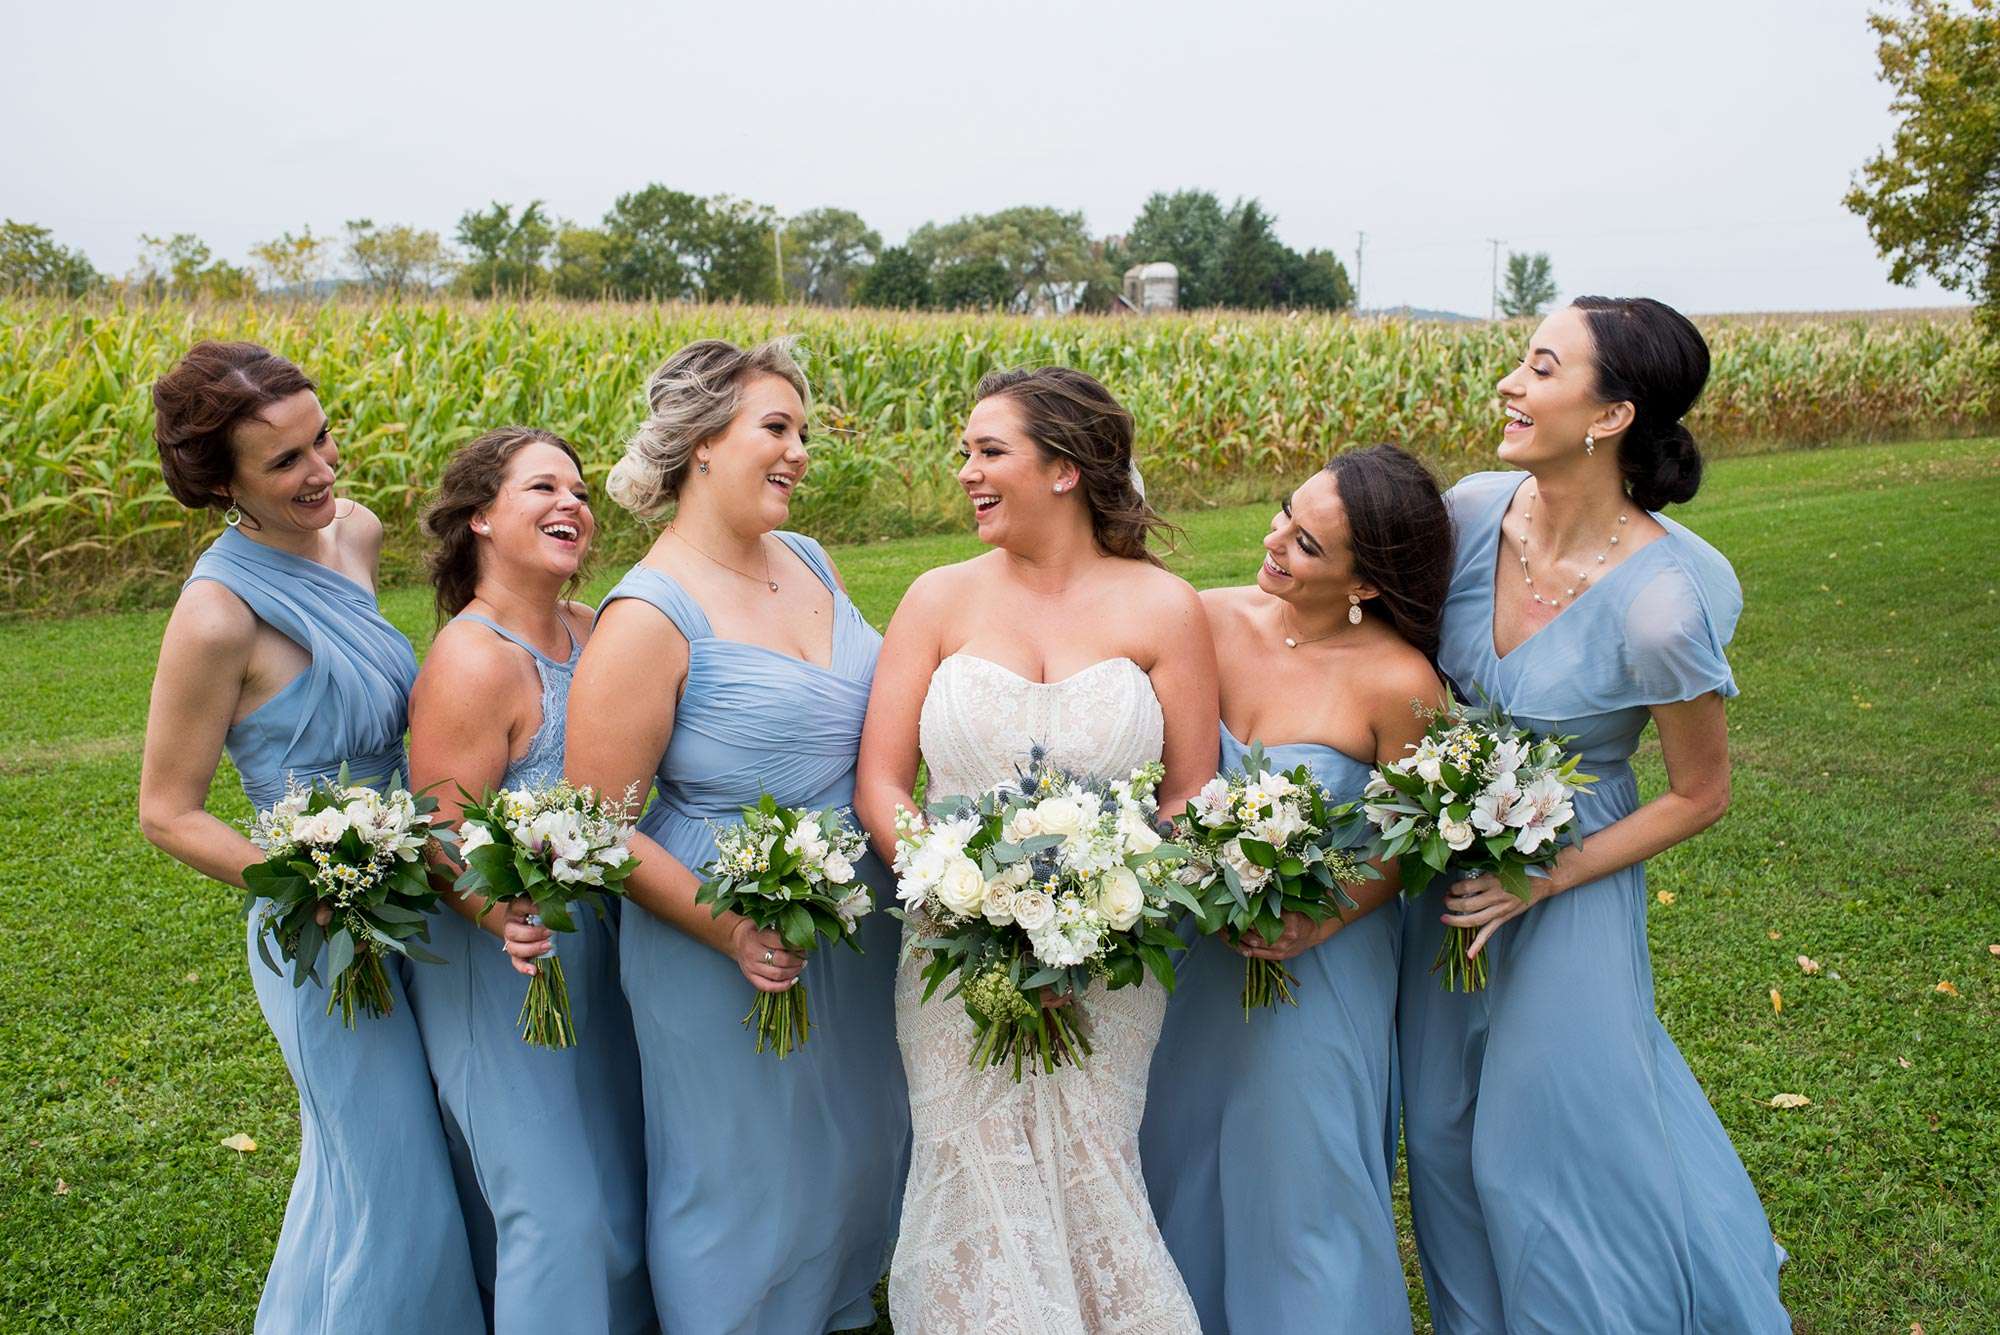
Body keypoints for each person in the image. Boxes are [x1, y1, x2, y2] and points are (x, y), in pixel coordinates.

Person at [1400, 297, 1790, 1332]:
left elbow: (1699, 793)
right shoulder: (1470, 512)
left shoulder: (1662, 603)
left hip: (1569, 871)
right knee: (1439, 1131)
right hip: (1440, 864)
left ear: (1610, 415)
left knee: (1542, 1137)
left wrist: (1545, 876)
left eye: (1538, 369)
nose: (1508, 386)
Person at [855, 366, 1219, 1334]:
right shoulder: (935, 599)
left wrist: (1105, 912)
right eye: (965, 453)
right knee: (966, 1166)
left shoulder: (1165, 607)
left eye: (987, 452)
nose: (965, 472)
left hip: (1113, 952)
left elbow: (1188, 794)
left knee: (1093, 1162)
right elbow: (883, 786)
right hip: (948, 952)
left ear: (1062, 469)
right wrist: (957, 894)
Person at [136, 341, 482, 1335]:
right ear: (223, 484)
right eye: (284, 462)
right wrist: (315, 878)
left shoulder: (358, 536)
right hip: (320, 925)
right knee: (383, 1163)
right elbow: (167, 810)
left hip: (425, 891)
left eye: (321, 438)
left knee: (452, 1139)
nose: (321, 470)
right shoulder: (214, 617)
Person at [564, 338, 908, 1334]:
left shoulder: (808, 558)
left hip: (850, 918)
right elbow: (595, 827)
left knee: (851, 1146)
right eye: (776, 428)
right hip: (717, 933)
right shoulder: (648, 615)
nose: (799, 450)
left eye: (801, 430)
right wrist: (730, 930)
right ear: (702, 443)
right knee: (738, 1173)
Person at [1140, 444, 1450, 1333]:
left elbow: (1415, 844)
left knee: (1300, 1173)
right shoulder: (1202, 618)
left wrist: (1320, 918)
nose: (1276, 539)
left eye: (1308, 544)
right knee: (1176, 1145)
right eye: (1286, 510)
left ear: (1367, 582)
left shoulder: (1401, 684)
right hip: (1192, 952)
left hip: (1321, 966)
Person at [404, 426, 652, 1333]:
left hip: (604, 951)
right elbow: (440, 834)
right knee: (554, 1206)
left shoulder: (599, 631)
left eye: (581, 491)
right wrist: (499, 913)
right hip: (504, 961)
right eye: (542, 487)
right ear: (480, 517)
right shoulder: (473, 658)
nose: (573, 505)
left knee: (618, 1185)